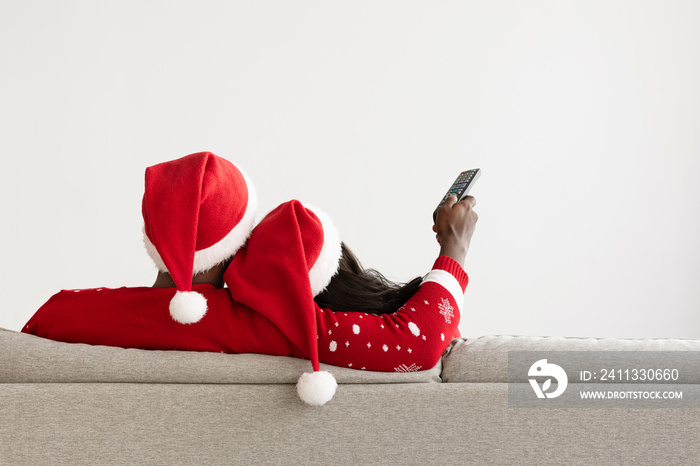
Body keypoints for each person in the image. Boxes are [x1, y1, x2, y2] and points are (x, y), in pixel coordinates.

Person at [23, 152, 478, 405]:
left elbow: (32, 337)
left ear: (152, 237)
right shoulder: (258, 321)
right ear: (233, 247)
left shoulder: (61, 311)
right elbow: (416, 343)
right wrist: (452, 250)